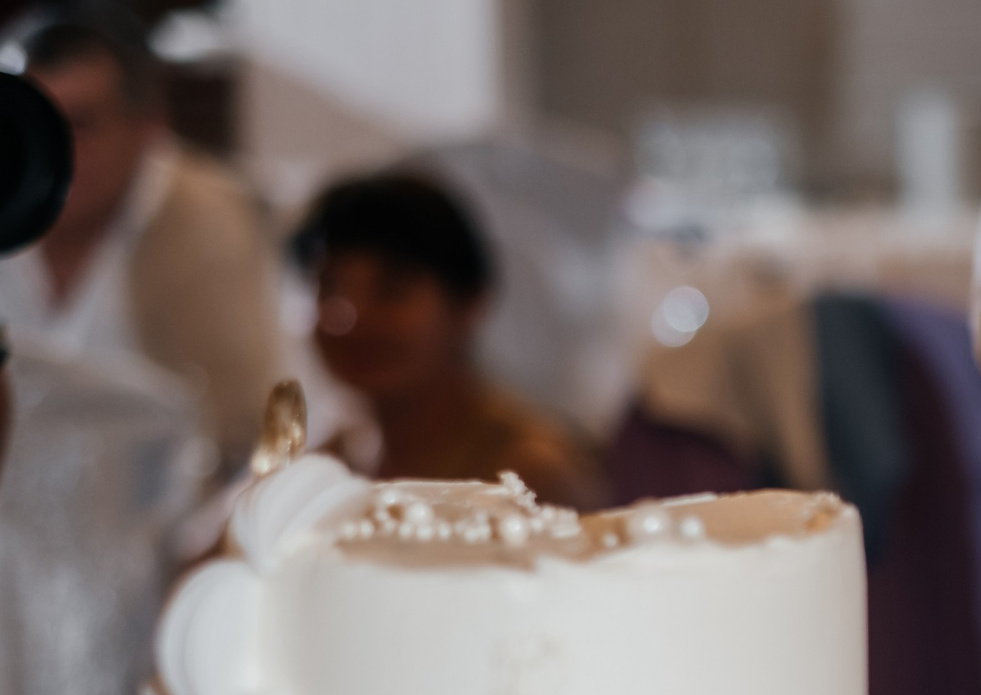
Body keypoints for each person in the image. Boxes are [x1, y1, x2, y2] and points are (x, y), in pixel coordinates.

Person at [0, 3, 278, 473]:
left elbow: (240, 427)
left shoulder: (206, 220)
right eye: (33, 122)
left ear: (148, 127)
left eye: (81, 124)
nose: (53, 148)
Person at [289, 172, 604, 510]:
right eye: (330, 288)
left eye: (392, 290)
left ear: (468, 304)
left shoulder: (532, 477)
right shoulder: (328, 463)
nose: (352, 319)